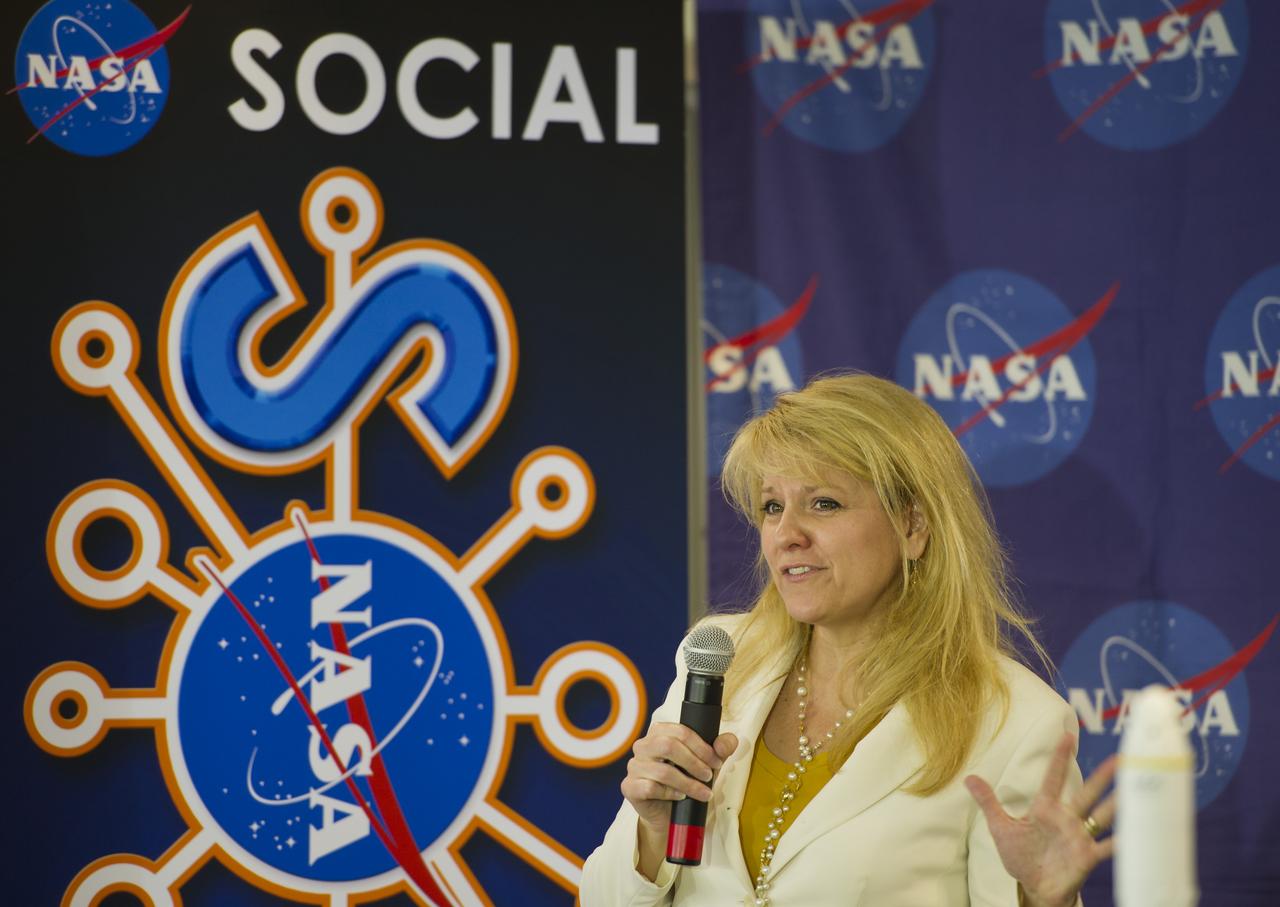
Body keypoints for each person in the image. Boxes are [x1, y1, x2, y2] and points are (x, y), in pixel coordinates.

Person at [580, 373, 1116, 906]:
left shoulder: (1015, 722)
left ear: (914, 526)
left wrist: (1045, 902)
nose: (787, 534)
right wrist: (650, 834)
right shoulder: (719, 655)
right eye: (772, 506)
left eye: (824, 504)